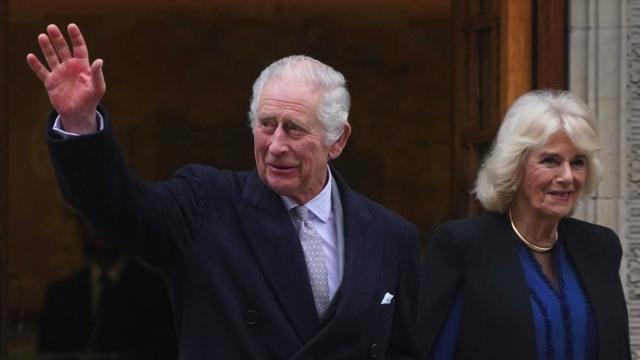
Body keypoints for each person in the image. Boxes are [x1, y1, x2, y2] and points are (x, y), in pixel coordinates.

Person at [27, 23, 420, 359]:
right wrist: (79, 124)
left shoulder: (390, 237)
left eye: (294, 128)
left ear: (337, 140)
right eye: (267, 124)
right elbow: (119, 212)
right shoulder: (206, 204)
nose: (276, 145)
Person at [417, 90, 630, 359]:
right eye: (550, 160)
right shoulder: (463, 245)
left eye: (577, 162)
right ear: (514, 165)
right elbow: (433, 350)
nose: (567, 176)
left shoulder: (601, 246)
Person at [38, 218, 177, 359]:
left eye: (108, 217)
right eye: (92, 217)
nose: (101, 226)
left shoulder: (155, 291)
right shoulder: (60, 295)